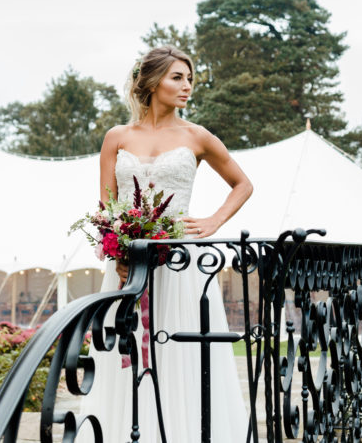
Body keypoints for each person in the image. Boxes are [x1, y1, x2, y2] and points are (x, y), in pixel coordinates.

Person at [78, 45, 253, 442]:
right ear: (152, 81)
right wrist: (116, 250)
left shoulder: (198, 136)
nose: (187, 86)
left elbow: (243, 184)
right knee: (125, 349)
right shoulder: (116, 137)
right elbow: (106, 206)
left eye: (190, 78)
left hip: (179, 264)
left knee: (180, 350)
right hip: (127, 266)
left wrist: (212, 221)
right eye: (178, 77)